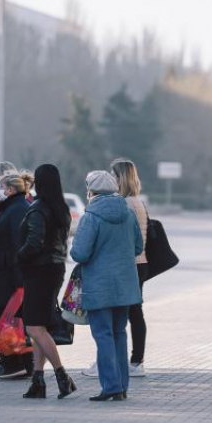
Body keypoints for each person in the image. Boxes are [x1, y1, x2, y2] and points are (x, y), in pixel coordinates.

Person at [71, 171, 143, 401]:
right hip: (124, 285)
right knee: (119, 333)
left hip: (99, 285)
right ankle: (121, 386)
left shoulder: (91, 217)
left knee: (102, 334)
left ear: (91, 191)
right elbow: (138, 246)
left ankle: (110, 386)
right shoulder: (128, 213)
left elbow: (80, 252)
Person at [83, 159, 149, 379]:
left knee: (107, 327)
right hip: (132, 269)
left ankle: (112, 372)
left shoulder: (109, 209)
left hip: (116, 271)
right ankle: (124, 375)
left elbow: (81, 251)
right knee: (122, 325)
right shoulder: (132, 205)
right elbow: (139, 244)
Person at [17, 164, 76, 399]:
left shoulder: (39, 208)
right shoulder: (61, 208)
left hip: (39, 270)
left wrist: (18, 256)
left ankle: (62, 376)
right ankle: (38, 381)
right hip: (55, 268)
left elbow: (34, 243)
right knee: (39, 327)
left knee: (33, 327)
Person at [0, 170, 33, 379]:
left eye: (2, 188)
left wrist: (18, 280)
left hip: (8, 277)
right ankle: (19, 365)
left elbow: (17, 245)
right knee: (12, 321)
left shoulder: (17, 209)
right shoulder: (13, 207)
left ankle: (15, 365)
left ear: (11, 189)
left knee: (8, 321)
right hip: (5, 275)